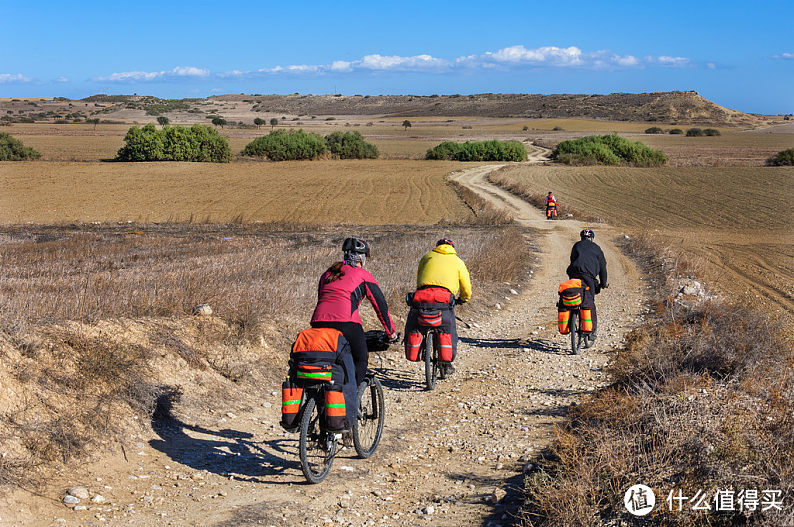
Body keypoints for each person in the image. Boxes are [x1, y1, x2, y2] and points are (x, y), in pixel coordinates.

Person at [310, 237, 397, 387]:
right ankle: (350, 399)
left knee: (324, 360)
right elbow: (380, 305)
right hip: (347, 323)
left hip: (318, 322)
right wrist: (390, 332)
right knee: (361, 360)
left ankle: (322, 396)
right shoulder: (363, 275)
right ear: (362, 258)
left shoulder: (327, 274)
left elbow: (321, 299)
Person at [404, 238, 472, 374]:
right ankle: (446, 364)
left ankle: (420, 348)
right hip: (444, 300)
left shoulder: (427, 256)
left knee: (415, 324)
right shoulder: (458, 262)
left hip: (423, 295)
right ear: (452, 248)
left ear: (437, 247)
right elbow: (466, 286)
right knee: (449, 329)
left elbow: (419, 277)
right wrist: (463, 299)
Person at [566, 228, 608, 345]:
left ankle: (571, 318)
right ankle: (592, 331)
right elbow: (602, 267)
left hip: (574, 274)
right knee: (590, 303)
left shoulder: (576, 245)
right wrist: (603, 283)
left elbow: (572, 260)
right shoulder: (597, 248)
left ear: (581, 238)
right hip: (588, 278)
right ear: (592, 238)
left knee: (574, 294)